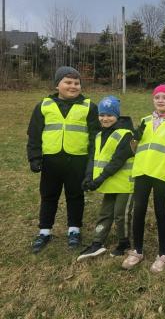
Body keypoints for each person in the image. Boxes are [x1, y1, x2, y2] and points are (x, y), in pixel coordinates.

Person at [27, 66, 100, 253]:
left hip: (77, 161)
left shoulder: (89, 107)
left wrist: (92, 162)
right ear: (57, 85)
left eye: (77, 83)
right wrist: (34, 157)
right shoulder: (44, 106)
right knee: (49, 195)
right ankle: (44, 231)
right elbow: (34, 134)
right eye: (68, 82)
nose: (73, 86)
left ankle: (74, 230)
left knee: (75, 196)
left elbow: (95, 137)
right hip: (51, 161)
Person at [122, 84, 165, 273]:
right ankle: (137, 251)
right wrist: (135, 139)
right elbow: (135, 149)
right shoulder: (145, 120)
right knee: (139, 210)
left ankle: (163, 254)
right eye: (157, 97)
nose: (160, 100)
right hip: (142, 172)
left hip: (161, 174)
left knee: (160, 212)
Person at [77, 96, 135, 261]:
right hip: (109, 182)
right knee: (105, 213)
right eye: (102, 115)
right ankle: (97, 243)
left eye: (110, 115)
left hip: (125, 183)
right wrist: (89, 176)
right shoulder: (98, 135)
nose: (105, 118)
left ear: (117, 115)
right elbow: (93, 158)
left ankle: (124, 243)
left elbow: (117, 161)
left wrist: (99, 179)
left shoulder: (126, 134)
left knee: (121, 214)